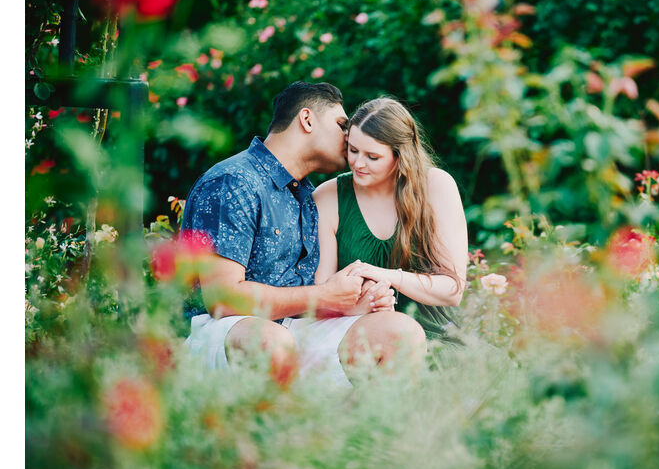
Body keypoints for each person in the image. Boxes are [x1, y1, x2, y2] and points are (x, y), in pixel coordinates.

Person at [180, 82, 426, 385]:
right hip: (217, 330)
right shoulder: (235, 180)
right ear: (307, 120)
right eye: (341, 125)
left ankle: (369, 431)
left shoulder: (307, 197)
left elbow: (296, 302)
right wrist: (324, 295)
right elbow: (223, 299)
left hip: (288, 330)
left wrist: (349, 305)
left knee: (399, 332)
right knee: (270, 339)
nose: (350, 137)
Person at [312, 97, 467, 342]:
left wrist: (386, 275)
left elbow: (453, 290)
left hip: (437, 338)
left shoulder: (437, 186)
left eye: (372, 157)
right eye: (353, 150)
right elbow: (321, 296)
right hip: (362, 339)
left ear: (400, 156)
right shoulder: (328, 197)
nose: (358, 164)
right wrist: (366, 301)